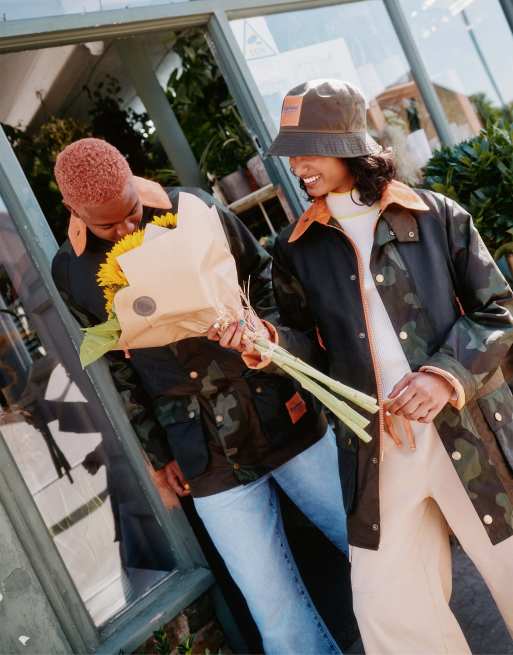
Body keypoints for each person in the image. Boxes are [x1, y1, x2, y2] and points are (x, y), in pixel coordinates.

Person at [217, 80, 513, 654]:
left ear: (348, 145)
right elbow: (310, 347)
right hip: (378, 450)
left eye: (311, 148)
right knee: (388, 609)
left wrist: (443, 374)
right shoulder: (294, 249)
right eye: (292, 152)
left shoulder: (434, 217)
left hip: (470, 433)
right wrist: (269, 343)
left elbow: (498, 310)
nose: (298, 164)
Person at [51, 137, 348, 654]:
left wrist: (266, 332)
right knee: (272, 611)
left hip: (278, 412)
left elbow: (264, 277)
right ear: (72, 211)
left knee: (370, 545)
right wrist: (156, 453)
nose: (126, 229)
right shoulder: (71, 271)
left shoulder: (195, 208)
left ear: (133, 179)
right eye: (108, 225)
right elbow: (118, 372)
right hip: (201, 450)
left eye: (131, 212)